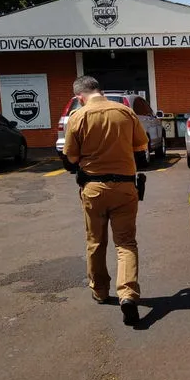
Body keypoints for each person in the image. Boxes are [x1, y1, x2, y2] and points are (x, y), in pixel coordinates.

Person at [60, 76, 149, 326]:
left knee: (96, 242)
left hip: (94, 188)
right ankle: (128, 295)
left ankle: (100, 291)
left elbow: (71, 158)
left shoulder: (79, 116)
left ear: (80, 97)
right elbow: (141, 145)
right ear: (100, 91)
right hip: (125, 187)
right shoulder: (125, 112)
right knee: (126, 243)